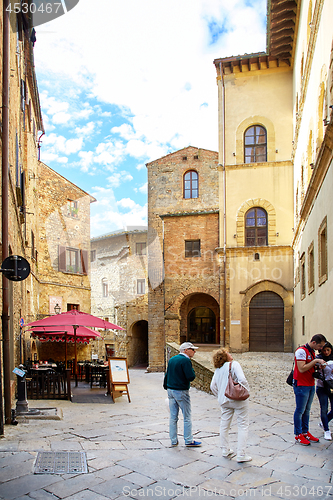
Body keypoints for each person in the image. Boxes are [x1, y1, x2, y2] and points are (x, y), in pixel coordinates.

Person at [210, 348, 251, 463]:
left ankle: (225, 449)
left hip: (224, 400)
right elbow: (242, 379)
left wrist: (220, 395)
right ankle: (241, 454)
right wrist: (246, 390)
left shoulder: (218, 370)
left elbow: (212, 386)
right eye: (228, 353)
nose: (231, 354)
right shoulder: (234, 365)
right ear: (225, 356)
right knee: (243, 425)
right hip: (238, 399)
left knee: (224, 425)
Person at [163, 342, 201, 447]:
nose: (194, 351)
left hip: (171, 390)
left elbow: (167, 374)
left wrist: (166, 386)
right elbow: (191, 376)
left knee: (173, 417)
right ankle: (188, 440)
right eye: (192, 349)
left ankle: (173, 440)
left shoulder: (172, 359)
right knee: (187, 416)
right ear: (186, 350)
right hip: (181, 391)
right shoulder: (185, 361)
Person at [293, 334, 327, 445]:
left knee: (307, 410)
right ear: (314, 343)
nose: (321, 349)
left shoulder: (312, 352)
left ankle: (305, 431)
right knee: (300, 410)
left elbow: (310, 366)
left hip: (310, 383)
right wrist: (315, 361)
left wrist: (317, 366)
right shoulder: (301, 351)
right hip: (302, 384)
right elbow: (301, 368)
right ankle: (298, 434)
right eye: (320, 346)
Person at [315, 342, 333, 440]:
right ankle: (327, 430)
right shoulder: (318, 359)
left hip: (332, 386)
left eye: (328, 350)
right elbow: (312, 369)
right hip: (322, 387)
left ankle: (323, 422)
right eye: (324, 350)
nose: (326, 352)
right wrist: (318, 367)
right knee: (324, 409)